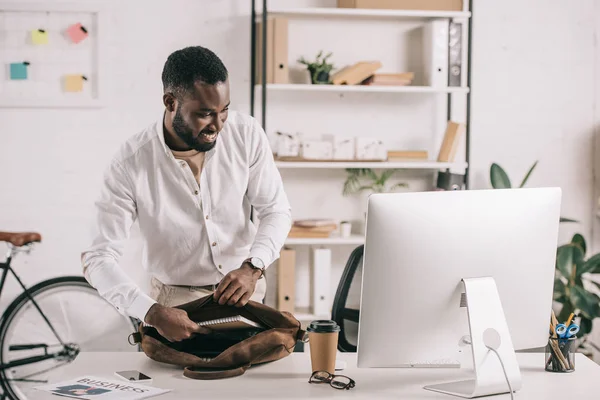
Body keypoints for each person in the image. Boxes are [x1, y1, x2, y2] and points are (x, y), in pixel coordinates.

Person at [81, 46, 292, 342]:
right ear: (170, 102)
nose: (217, 126)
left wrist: (253, 266)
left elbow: (276, 210)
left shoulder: (246, 133)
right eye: (205, 114)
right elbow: (97, 257)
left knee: (250, 385)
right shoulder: (130, 163)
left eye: (224, 110)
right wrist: (151, 312)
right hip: (173, 306)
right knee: (177, 388)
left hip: (247, 290)